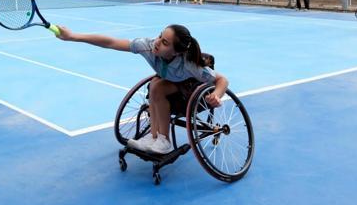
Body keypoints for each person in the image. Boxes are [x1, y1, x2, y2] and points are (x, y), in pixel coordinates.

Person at [56, 23, 228, 155]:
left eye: (165, 42)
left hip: (190, 91)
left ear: (176, 52)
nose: (157, 42)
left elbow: (222, 80)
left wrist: (216, 95)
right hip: (169, 83)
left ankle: (164, 141)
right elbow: (111, 42)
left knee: (157, 86)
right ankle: (153, 138)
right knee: (155, 86)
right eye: (160, 36)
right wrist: (73, 36)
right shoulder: (147, 45)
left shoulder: (190, 65)